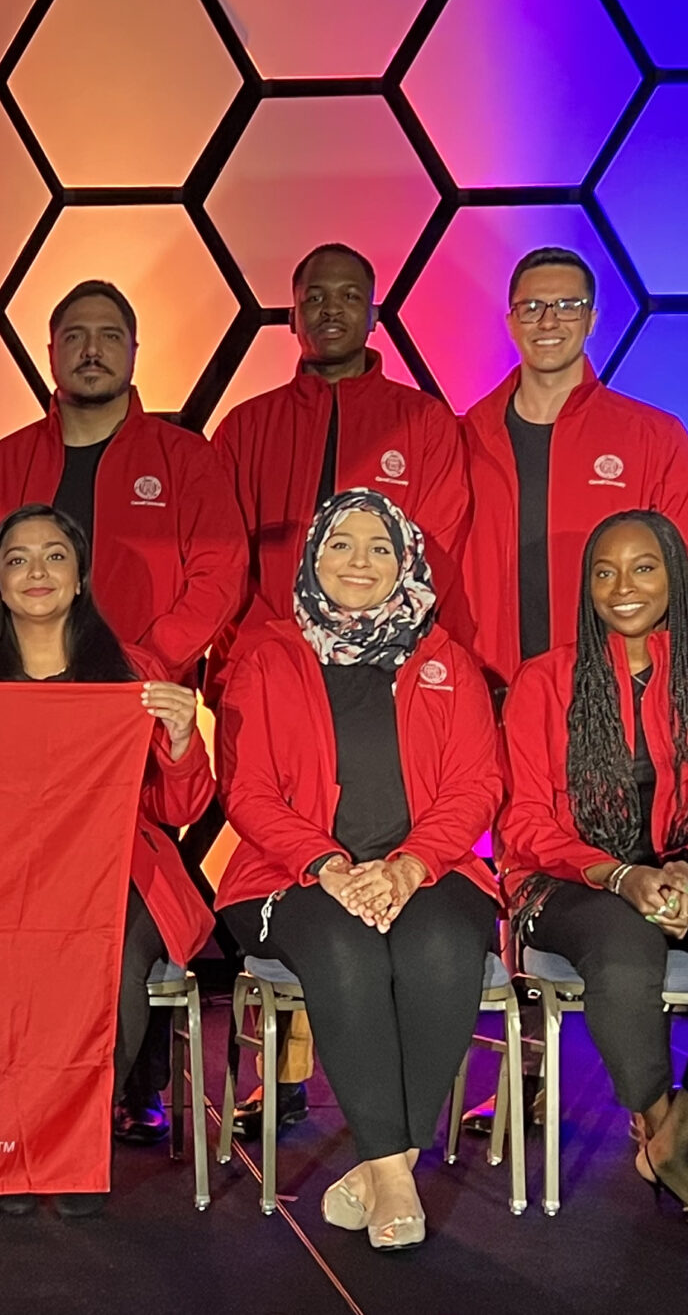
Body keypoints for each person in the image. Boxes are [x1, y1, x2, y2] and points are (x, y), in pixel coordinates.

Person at [499, 510, 688, 1236]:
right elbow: (524, 825)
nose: (622, 586)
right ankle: (656, 1125)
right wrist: (618, 877)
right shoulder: (545, 682)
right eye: (605, 571)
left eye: (644, 568)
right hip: (571, 883)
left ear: (675, 576)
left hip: (687, 872)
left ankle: (675, 1141)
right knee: (625, 948)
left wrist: (685, 871)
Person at [213, 490, 503, 1251]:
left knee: (443, 946)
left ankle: (385, 1167)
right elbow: (246, 790)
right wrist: (328, 864)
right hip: (290, 876)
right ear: (312, 557)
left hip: (428, 870)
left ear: (405, 560)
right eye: (341, 544)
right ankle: (395, 1168)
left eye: (380, 547)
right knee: (344, 946)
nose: (359, 562)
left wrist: (409, 867)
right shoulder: (268, 655)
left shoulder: (447, 660)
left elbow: (478, 785)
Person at [0, 505, 210, 1218]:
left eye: (55, 556)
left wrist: (185, 741)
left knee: (116, 959)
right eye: (17, 559)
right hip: (3, 875)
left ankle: (72, 1139)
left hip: (119, 869)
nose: (37, 572)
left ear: (81, 574)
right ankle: (10, 1135)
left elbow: (185, 806)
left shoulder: (131, 674)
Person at [455, 247, 688, 682]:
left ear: (592, 319)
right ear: (511, 321)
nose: (548, 321)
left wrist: (648, 665)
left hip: (617, 685)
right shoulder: (462, 437)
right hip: (487, 683)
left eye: (567, 306)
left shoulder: (653, 434)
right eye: (532, 307)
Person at [0, 280, 245, 674]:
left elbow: (219, 576)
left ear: (133, 351)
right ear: (51, 353)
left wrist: (144, 665)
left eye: (109, 336)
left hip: (145, 699)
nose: (92, 351)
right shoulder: (3, 462)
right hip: (23, 695)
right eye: (75, 336)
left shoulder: (187, 458)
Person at [210, 245, 467, 629]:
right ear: (293, 317)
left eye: (350, 296)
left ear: (373, 317)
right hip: (264, 653)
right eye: (315, 298)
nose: (331, 308)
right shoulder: (245, 426)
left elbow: (439, 545)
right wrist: (266, 640)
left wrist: (382, 636)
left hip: (387, 658)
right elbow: (219, 556)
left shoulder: (424, 420)